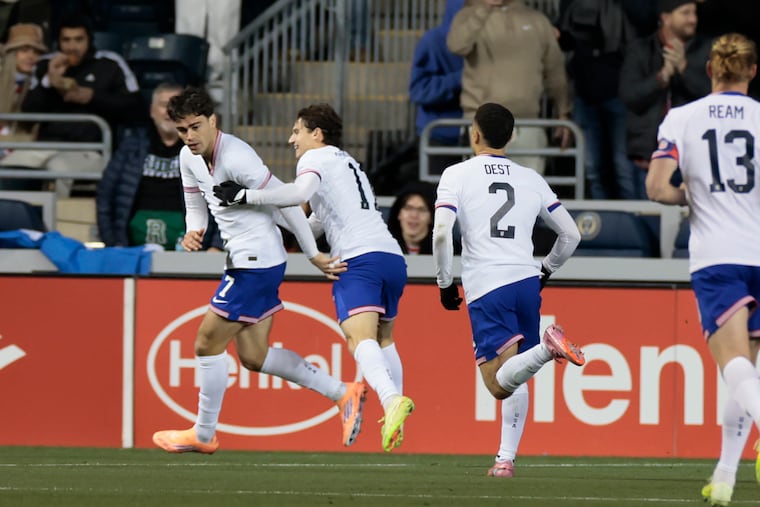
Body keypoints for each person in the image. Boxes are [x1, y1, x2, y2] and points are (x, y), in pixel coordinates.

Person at [152, 88, 367, 453]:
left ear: (213, 121)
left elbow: (286, 201)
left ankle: (203, 434)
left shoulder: (238, 157)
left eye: (195, 127)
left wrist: (312, 253)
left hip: (257, 260)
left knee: (206, 343)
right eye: (183, 129)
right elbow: (194, 199)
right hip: (245, 259)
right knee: (254, 357)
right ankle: (342, 392)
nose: (189, 136)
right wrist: (194, 228)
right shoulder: (188, 157)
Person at [213, 103, 415, 453]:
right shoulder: (349, 164)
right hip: (391, 258)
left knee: (359, 338)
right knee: (384, 339)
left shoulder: (314, 160)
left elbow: (298, 194)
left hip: (359, 258)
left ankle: (392, 399)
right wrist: (257, 212)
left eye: (297, 131)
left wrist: (247, 195)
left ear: (316, 134)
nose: (292, 139)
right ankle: (394, 418)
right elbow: (312, 224)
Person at [433, 102, 584, 477]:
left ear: (475, 133)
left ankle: (550, 349)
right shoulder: (531, 177)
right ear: (511, 137)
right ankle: (505, 459)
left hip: (487, 284)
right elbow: (571, 234)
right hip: (526, 280)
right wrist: (546, 270)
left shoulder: (457, 174)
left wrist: (443, 281)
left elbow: (439, 232)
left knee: (497, 385)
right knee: (515, 372)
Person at [646, 33, 760, 507]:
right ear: (752, 71)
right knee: (745, 369)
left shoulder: (682, 117)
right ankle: (725, 479)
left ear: (710, 69)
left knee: (732, 365)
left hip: (718, 255)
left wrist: (687, 196)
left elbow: (656, 186)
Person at [0, 14, 142, 197]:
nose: (72, 46)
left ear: (89, 40)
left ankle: (53, 223)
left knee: (57, 168)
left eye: (78, 40)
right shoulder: (46, 65)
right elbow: (29, 113)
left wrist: (92, 97)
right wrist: (48, 81)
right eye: (66, 40)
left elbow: (137, 108)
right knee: (7, 168)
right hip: (45, 146)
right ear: (58, 42)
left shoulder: (109, 64)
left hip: (91, 150)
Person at [446, 0, 572, 175]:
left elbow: (555, 71)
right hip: (481, 122)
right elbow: (457, 45)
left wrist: (563, 113)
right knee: (480, 193)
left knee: (528, 194)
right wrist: (483, 9)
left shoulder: (537, 20)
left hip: (528, 123)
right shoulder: (467, 15)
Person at [96, 82, 221, 251]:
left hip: (191, 248)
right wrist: (113, 243)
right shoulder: (131, 146)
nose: (169, 111)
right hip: (133, 250)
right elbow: (105, 194)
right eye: (163, 105)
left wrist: (216, 245)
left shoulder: (205, 148)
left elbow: (223, 199)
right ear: (152, 111)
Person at [619, 0, 711, 199]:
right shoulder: (640, 49)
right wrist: (662, 77)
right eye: (685, 13)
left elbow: (713, 96)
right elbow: (629, 96)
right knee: (644, 224)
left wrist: (684, 69)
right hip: (648, 159)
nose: (693, 19)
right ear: (666, 17)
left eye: (694, 13)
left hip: (692, 162)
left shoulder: (706, 51)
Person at [557, 0, 635, 198]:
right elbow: (563, 40)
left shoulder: (624, 8)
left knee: (622, 166)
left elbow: (634, 47)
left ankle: (632, 222)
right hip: (585, 94)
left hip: (618, 93)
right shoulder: (572, 6)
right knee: (593, 167)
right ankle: (603, 222)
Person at [408, 0, 465, 177]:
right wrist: (460, 79)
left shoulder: (494, 43)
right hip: (441, 137)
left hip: (483, 138)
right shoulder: (433, 41)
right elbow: (419, 90)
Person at [0, 22, 45, 165]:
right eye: (24, 50)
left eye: (36, 52)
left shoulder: (41, 85)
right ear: (13, 53)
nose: (31, 56)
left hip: (25, 149)